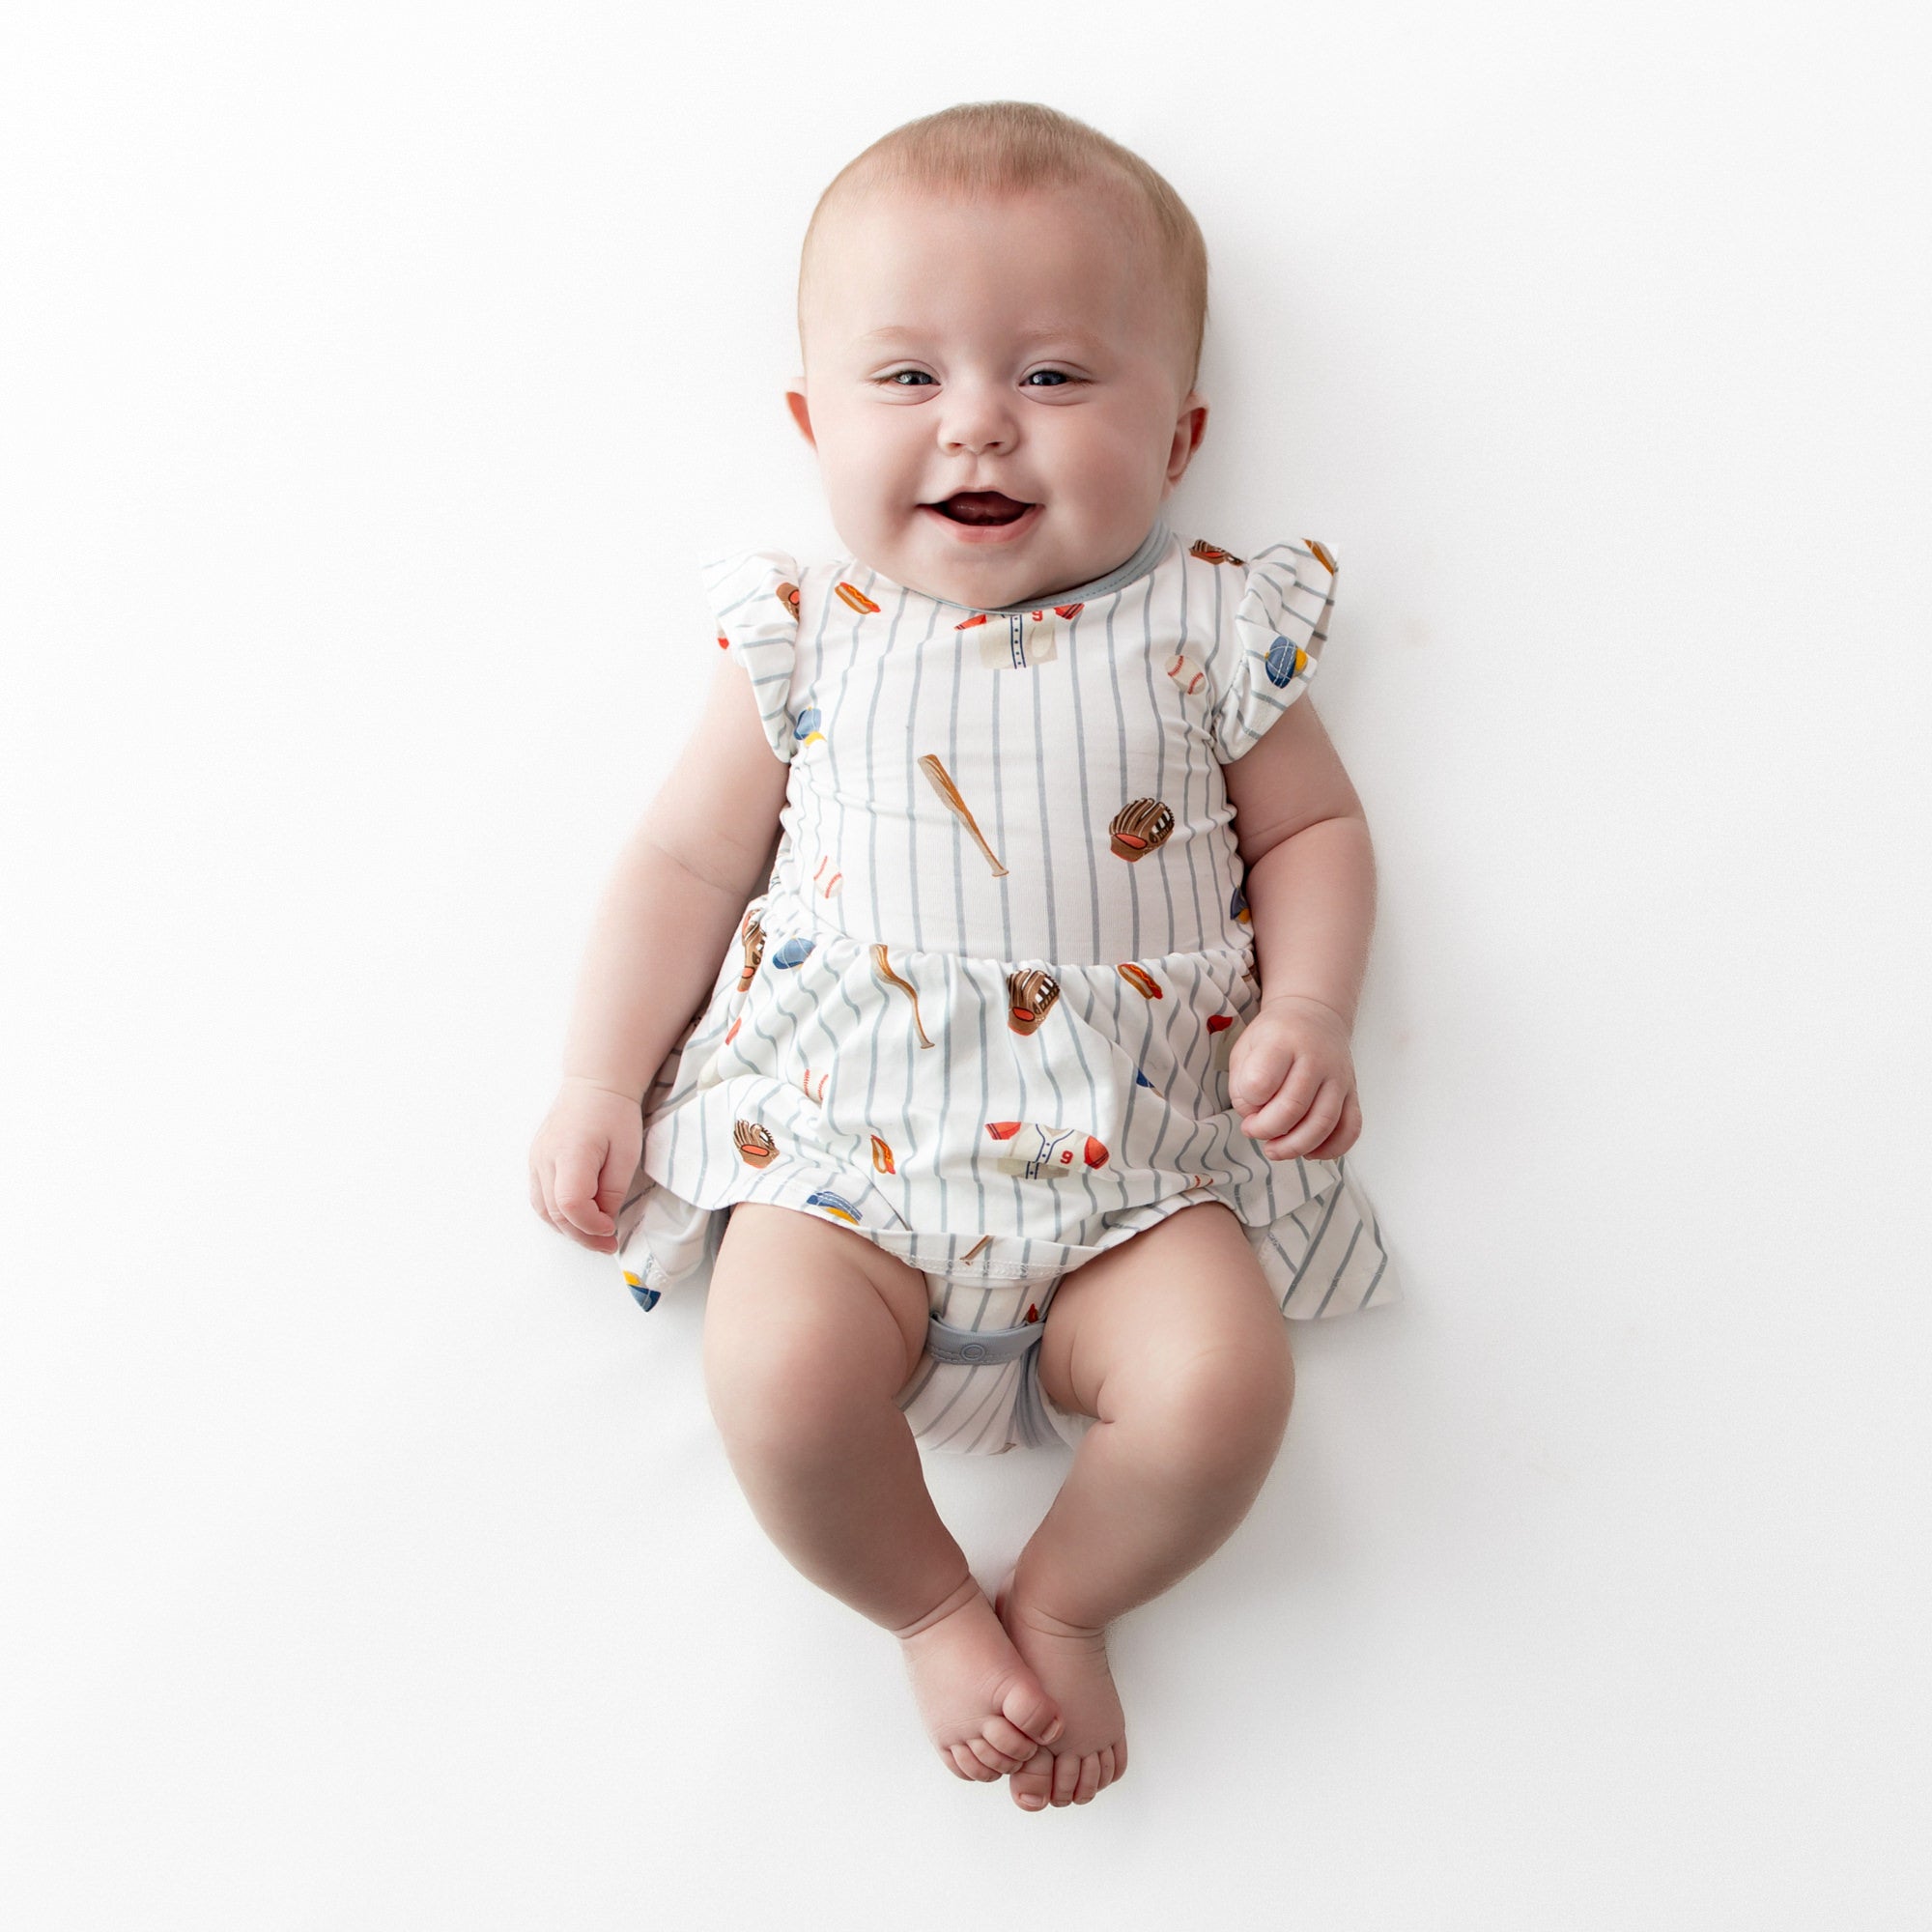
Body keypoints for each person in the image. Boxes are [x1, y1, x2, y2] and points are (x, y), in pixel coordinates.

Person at [527, 100, 1400, 1812]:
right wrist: (597, 1074)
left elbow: (1313, 834)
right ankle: (930, 1607)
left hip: (1131, 1172)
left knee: (1224, 1388)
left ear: (1182, 433)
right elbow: (689, 860)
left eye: (1059, 378)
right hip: (842, 1160)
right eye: (907, 379)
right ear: (809, 421)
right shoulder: (809, 637)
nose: (981, 428)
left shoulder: (1212, 625)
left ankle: (1065, 1604)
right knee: (775, 1383)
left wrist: (1310, 1001)